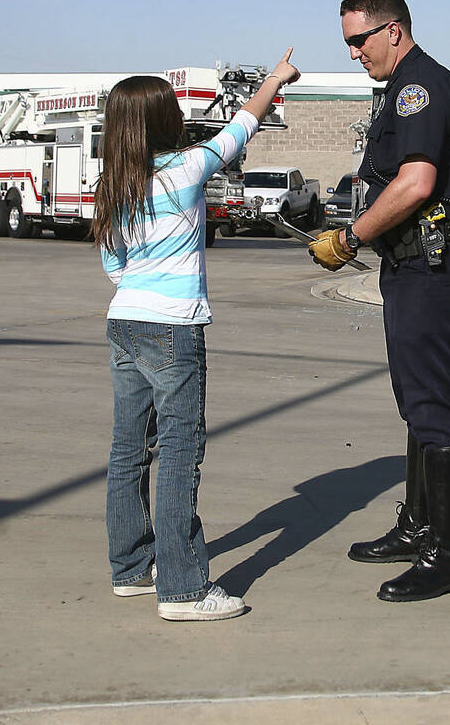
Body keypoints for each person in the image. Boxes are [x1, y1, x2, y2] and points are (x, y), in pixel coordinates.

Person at [96, 48, 299, 622]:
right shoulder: (185, 170)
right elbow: (241, 129)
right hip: (173, 328)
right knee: (181, 449)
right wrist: (276, 80)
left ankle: (130, 569)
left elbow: (113, 266)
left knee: (129, 448)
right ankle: (183, 588)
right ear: (165, 121)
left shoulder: (112, 183)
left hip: (124, 320)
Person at [309, 0, 450, 603]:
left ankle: (446, 560)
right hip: (413, 264)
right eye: (348, 43)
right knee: (417, 402)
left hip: (433, 269)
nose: (354, 53)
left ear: (393, 30)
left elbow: (416, 184)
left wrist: (350, 239)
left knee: (432, 407)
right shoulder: (399, 91)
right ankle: (418, 527)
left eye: (359, 40)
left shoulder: (420, 87)